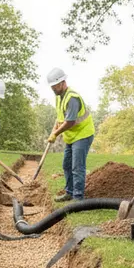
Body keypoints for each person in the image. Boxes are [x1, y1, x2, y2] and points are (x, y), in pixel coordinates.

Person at [46, 68, 96, 202]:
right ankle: (69, 192)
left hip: (83, 134)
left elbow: (69, 122)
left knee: (77, 166)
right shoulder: (59, 97)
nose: (53, 88)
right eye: (52, 86)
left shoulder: (72, 98)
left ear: (62, 82)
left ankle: (78, 197)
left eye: (55, 85)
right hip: (71, 136)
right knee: (67, 165)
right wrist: (54, 128)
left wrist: (55, 134)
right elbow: (60, 117)